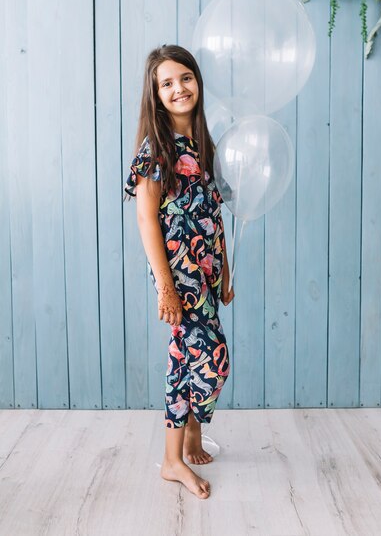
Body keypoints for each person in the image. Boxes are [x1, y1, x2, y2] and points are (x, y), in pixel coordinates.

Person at [123, 44, 234, 500]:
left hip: (205, 268)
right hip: (177, 272)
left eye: (185, 78)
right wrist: (165, 287)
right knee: (207, 361)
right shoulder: (157, 149)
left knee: (190, 357)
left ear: (197, 82)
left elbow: (215, 212)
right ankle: (173, 460)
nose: (178, 88)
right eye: (167, 83)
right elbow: (147, 218)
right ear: (156, 94)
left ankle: (187, 439)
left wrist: (225, 268)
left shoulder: (206, 145)